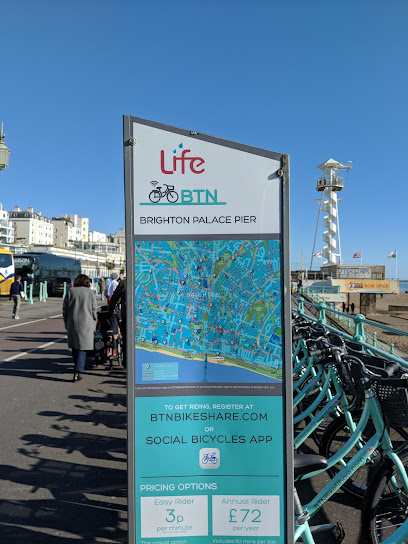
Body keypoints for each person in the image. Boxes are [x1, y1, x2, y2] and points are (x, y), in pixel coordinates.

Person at [63, 274, 97, 382]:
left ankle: (77, 367)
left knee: (74, 346)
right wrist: (94, 321)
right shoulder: (90, 293)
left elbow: (65, 308)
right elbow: (94, 309)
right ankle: (78, 370)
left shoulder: (70, 292)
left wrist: (66, 321)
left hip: (72, 322)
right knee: (83, 348)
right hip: (86, 322)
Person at [109, 274, 127, 368]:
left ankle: (126, 361)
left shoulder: (123, 283)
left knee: (126, 340)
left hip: (127, 317)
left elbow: (114, 298)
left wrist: (110, 310)